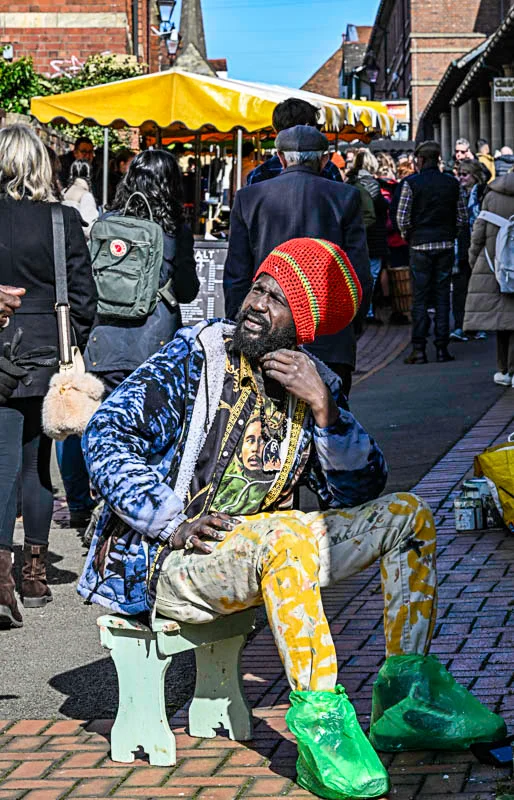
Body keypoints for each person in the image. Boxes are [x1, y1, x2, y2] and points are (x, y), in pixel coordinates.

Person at [78, 237, 505, 797]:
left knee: (409, 515)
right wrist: (169, 518)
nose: (257, 304)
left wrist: (325, 409)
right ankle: (321, 729)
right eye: (258, 288)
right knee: (288, 536)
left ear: (301, 324)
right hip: (171, 559)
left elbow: (357, 489)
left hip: (262, 550)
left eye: (278, 299)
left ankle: (408, 701)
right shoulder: (196, 356)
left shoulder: (311, 380)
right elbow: (105, 433)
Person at [0, 124, 97, 628]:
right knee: (38, 464)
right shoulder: (62, 220)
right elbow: (84, 296)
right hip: (47, 351)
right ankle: (34, 574)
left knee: (1, 464)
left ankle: (1, 577)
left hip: (1, 347)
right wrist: (72, 341)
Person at [223, 125, 372, 397]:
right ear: (324, 160)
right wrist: (352, 325)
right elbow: (358, 274)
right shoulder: (345, 196)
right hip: (327, 333)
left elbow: (237, 274)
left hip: (266, 330)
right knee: (329, 414)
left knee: (264, 416)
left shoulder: (250, 197)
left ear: (280, 158)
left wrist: (241, 328)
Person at [84, 149, 199, 393]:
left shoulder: (106, 223)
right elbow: (187, 290)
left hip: (103, 345)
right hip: (156, 347)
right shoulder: (176, 230)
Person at [397, 140, 468, 364]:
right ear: (438, 158)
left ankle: (419, 349)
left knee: (419, 298)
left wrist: (408, 235)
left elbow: (402, 217)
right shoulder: (452, 183)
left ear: (420, 159)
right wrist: (452, 233)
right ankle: (441, 348)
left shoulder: (412, 183)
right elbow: (462, 217)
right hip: (445, 243)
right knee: (442, 297)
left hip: (419, 244)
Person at [464, 170, 514, 385]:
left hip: (495, 267)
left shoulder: (492, 195)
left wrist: (474, 261)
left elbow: (478, 233)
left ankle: (503, 370)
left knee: (502, 322)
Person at [246, 98, 342, 185]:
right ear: (308, 127)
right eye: (316, 127)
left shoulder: (258, 174)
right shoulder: (329, 170)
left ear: (275, 130)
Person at [346, 150, 388, 322]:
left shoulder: (350, 182)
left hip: (355, 237)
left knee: (356, 275)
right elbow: (380, 209)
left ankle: (359, 310)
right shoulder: (372, 184)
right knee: (371, 275)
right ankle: (367, 311)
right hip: (373, 237)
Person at [451, 160, 488, 343]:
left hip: (479, 245)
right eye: (459, 174)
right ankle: (461, 325)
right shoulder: (456, 194)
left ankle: (480, 325)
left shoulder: (483, 194)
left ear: (474, 176)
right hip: (461, 245)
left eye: (464, 174)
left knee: (480, 288)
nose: (461, 178)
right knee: (460, 287)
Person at [62, 159, 99, 239]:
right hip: (78, 241)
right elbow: (87, 227)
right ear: (90, 175)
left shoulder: (63, 193)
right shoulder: (86, 196)